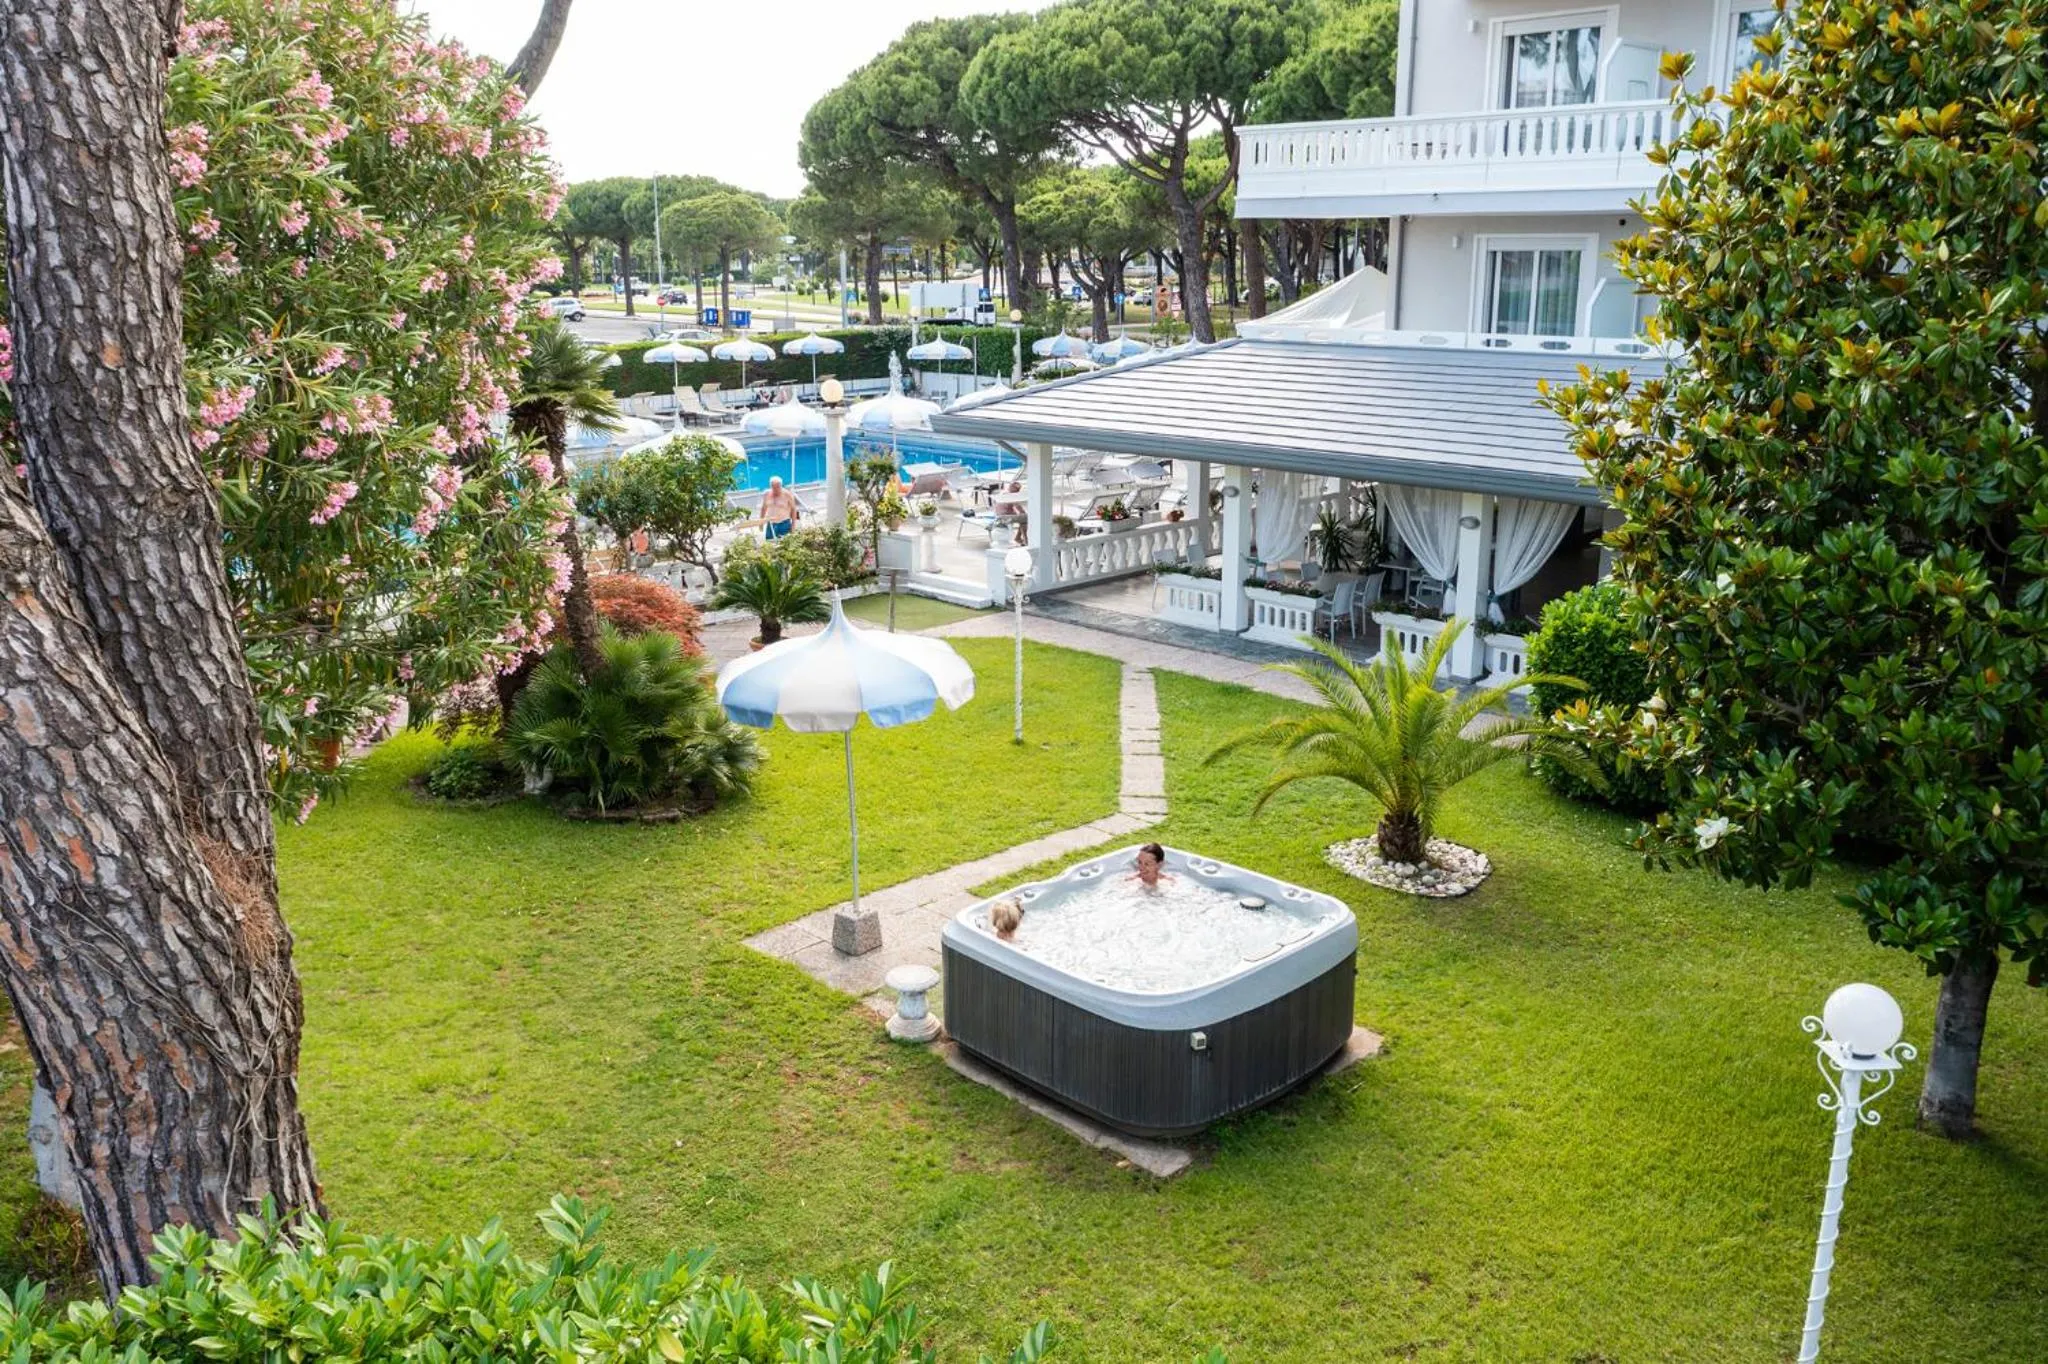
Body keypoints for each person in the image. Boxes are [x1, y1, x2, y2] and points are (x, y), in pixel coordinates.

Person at [760, 476, 797, 542]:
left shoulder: (787, 494)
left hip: (784, 523)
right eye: (773, 487)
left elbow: (794, 509)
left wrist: (793, 525)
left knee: (785, 545)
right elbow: (763, 508)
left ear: (781, 485)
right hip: (771, 523)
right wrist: (761, 523)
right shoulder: (766, 494)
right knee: (770, 544)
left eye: (777, 487)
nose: (776, 489)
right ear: (770, 486)